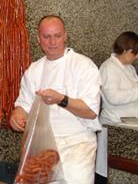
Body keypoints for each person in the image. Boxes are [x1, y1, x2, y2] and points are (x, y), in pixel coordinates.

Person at [10, 15, 102, 184]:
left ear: (65, 36)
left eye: (57, 36)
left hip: (77, 145)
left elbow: (90, 111)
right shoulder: (34, 70)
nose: (52, 42)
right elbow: (23, 104)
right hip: (42, 148)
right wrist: (17, 115)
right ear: (38, 39)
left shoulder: (83, 66)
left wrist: (61, 99)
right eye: (46, 37)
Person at [95, 31, 138, 182]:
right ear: (125, 50)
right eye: (135, 53)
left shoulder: (130, 69)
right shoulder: (108, 68)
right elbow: (113, 97)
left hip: (129, 125)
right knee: (109, 172)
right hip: (114, 125)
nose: (137, 57)